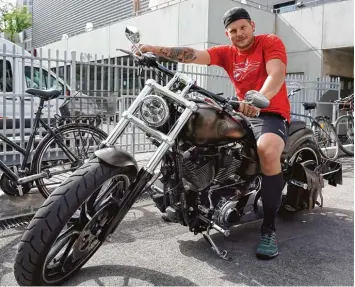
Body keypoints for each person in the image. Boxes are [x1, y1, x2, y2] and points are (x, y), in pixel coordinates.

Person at [137, 7, 290, 260]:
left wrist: (262, 96)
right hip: (241, 111)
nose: (239, 34)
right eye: (233, 31)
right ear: (227, 34)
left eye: (242, 28)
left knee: (267, 150)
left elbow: (277, 73)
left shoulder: (269, 42)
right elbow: (191, 54)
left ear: (252, 25)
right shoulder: (227, 52)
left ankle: (268, 228)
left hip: (269, 111)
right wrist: (153, 49)